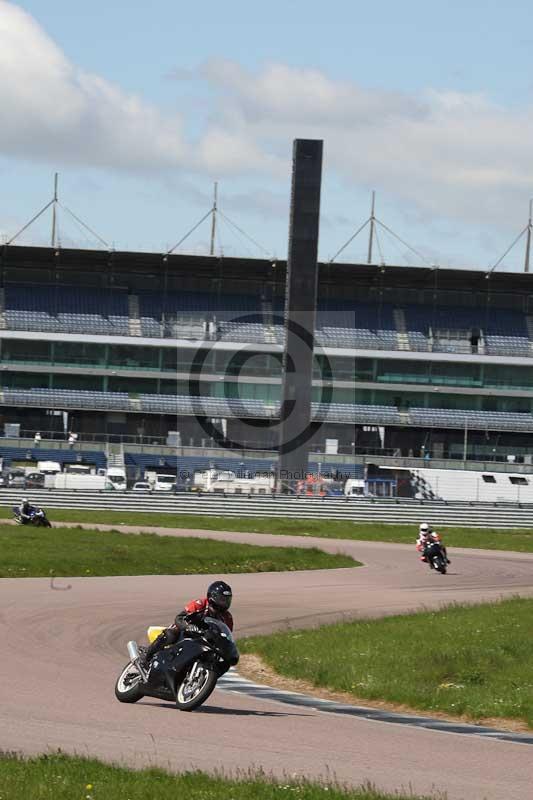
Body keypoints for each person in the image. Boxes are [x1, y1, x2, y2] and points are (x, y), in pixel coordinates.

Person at [139, 580, 233, 669]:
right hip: (184, 632)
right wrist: (188, 627)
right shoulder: (200, 604)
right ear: (212, 597)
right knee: (170, 634)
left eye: (227, 600)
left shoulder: (227, 617)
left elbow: (226, 636)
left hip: (205, 640)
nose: (225, 603)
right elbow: (179, 618)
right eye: (222, 600)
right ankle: (146, 657)